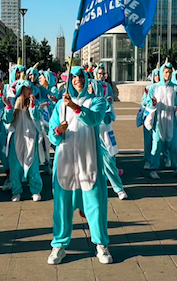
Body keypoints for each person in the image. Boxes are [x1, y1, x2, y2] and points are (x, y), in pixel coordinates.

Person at [47, 66, 111, 265]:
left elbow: (94, 119)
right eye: (73, 77)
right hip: (65, 162)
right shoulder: (60, 105)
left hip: (88, 160)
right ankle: (59, 245)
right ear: (68, 81)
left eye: (81, 77)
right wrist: (58, 130)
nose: (77, 80)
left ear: (86, 78)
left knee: (96, 205)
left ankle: (101, 245)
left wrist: (75, 106)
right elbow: (52, 134)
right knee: (62, 207)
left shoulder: (96, 101)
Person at [144, 61, 177, 179]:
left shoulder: (175, 87)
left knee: (175, 146)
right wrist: (152, 104)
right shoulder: (154, 87)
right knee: (156, 144)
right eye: (166, 72)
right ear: (162, 72)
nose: (168, 74)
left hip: (172, 119)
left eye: (170, 72)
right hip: (159, 119)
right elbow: (148, 102)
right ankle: (153, 168)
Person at [3, 80, 44, 201]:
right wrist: (8, 107)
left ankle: (35, 190)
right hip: (17, 139)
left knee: (33, 165)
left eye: (31, 88)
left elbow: (36, 117)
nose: (30, 91)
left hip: (31, 139)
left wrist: (32, 105)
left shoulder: (34, 104)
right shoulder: (14, 105)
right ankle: (16, 191)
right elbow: (7, 120)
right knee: (15, 166)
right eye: (27, 88)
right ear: (21, 90)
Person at [90, 79, 127, 200]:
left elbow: (108, 119)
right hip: (89, 138)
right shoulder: (84, 102)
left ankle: (119, 188)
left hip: (104, 137)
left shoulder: (103, 102)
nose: (88, 89)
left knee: (109, 164)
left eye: (91, 87)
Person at [139, 68, 161, 170]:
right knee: (148, 139)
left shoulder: (162, 88)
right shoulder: (149, 87)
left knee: (158, 140)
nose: (157, 77)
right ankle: (147, 160)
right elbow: (143, 102)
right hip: (150, 115)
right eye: (155, 75)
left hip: (160, 117)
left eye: (159, 75)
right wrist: (149, 100)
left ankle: (164, 158)